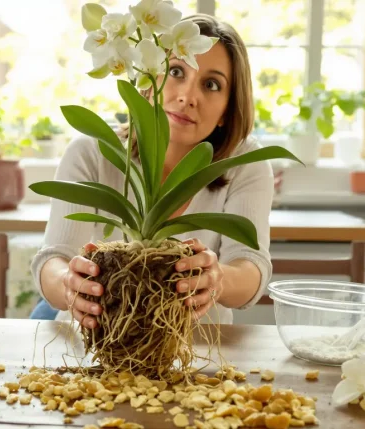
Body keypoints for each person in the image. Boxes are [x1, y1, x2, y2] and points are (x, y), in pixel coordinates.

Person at [29, 14, 274, 328]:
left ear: (228, 109)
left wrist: (219, 279)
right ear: (149, 77)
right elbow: (54, 257)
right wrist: (68, 282)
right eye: (175, 71)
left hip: (198, 351)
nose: (188, 96)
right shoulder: (92, 151)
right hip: (95, 344)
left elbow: (252, 267)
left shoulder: (245, 163)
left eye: (211, 84)